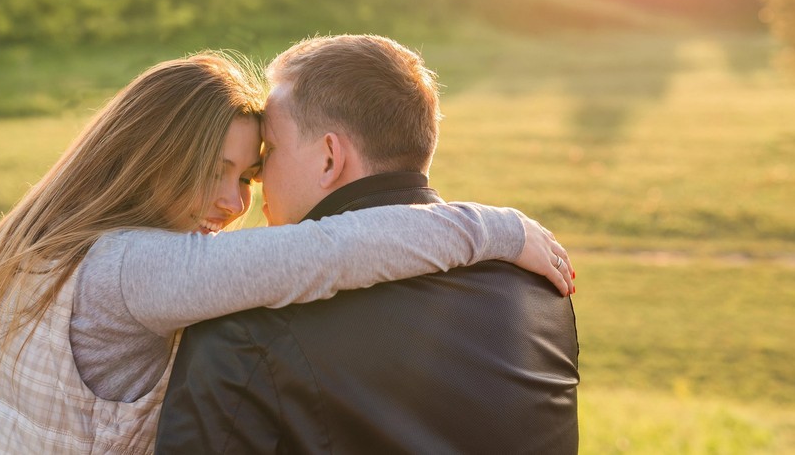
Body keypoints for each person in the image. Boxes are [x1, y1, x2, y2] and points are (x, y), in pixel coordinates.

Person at [0, 51, 571, 455]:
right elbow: (327, 252)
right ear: (152, 158)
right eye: (215, 171)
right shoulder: (130, 270)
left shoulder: (40, 236)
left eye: (249, 177)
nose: (234, 204)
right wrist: (500, 231)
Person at [155, 36, 580, 454]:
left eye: (270, 151)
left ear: (329, 158)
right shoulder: (539, 289)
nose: (261, 177)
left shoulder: (242, 326)